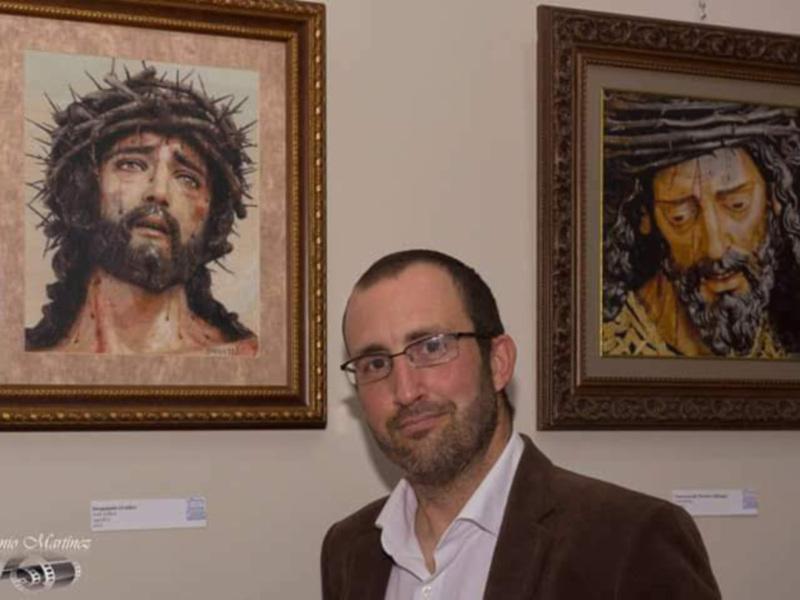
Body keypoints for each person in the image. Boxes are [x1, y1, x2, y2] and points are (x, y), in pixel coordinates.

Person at [322, 249, 721, 599]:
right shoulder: (350, 550)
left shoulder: (630, 540)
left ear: (498, 363)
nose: (405, 391)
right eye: (375, 363)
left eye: (431, 347)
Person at [25, 64, 257, 355]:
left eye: (187, 178)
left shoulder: (245, 357)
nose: (159, 192)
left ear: (212, 219)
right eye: (131, 164)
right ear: (84, 191)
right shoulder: (23, 362)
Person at [602, 91, 800, 358]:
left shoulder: (786, 336)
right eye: (681, 217)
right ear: (644, 217)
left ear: (774, 197)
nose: (715, 248)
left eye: (737, 205)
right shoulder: (610, 345)